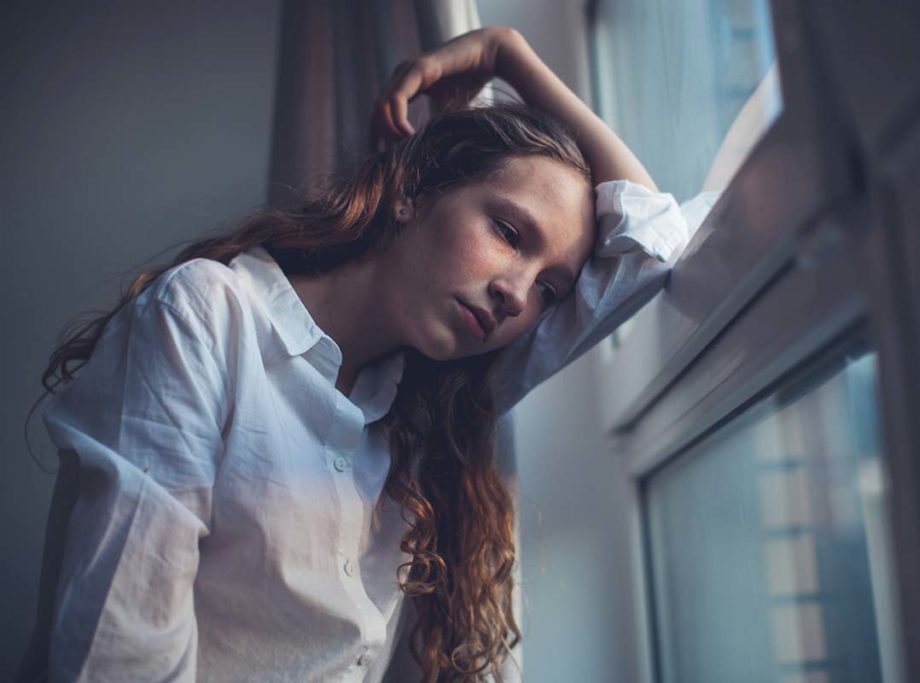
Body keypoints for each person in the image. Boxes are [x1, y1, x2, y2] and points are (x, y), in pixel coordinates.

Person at [22, 27, 707, 682]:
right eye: (507, 231)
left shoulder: (430, 397)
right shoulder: (208, 316)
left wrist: (509, 55)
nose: (515, 294)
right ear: (413, 189)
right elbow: (120, 659)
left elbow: (649, 247)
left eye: (549, 291)